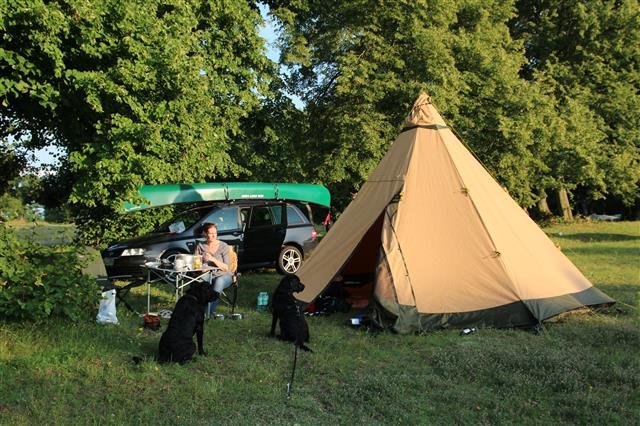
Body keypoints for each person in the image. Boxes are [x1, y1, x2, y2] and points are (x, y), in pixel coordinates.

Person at [195, 223, 233, 317]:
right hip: (207, 274)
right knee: (199, 281)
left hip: (224, 275)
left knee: (219, 281)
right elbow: (196, 264)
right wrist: (201, 268)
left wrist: (212, 259)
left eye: (215, 233)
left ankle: (206, 314)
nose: (213, 235)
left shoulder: (223, 246)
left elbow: (226, 267)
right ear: (205, 233)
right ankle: (194, 308)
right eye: (210, 233)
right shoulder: (200, 246)